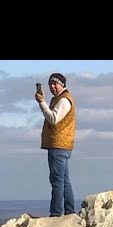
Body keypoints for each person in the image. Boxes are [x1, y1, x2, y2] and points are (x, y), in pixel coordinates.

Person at [36, 73, 76, 217]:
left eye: (55, 84)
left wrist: (42, 103)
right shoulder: (60, 99)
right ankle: (70, 211)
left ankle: (56, 213)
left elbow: (53, 119)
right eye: (50, 84)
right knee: (63, 179)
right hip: (61, 144)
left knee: (57, 180)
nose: (53, 87)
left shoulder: (64, 100)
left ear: (62, 84)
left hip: (59, 144)